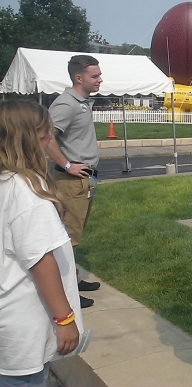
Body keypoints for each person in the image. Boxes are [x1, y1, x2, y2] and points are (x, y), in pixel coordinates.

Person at [0, 100, 83, 386]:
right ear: (27, 138)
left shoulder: (7, 182)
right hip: (24, 331)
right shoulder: (28, 194)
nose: (51, 136)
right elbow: (40, 261)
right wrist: (65, 319)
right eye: (45, 131)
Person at [47, 55, 103, 309]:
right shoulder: (66, 104)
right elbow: (46, 137)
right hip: (71, 182)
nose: (100, 79)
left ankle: (73, 280)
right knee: (68, 237)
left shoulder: (81, 103)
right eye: (95, 76)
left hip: (84, 181)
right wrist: (67, 165)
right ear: (78, 78)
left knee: (74, 234)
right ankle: (66, 293)